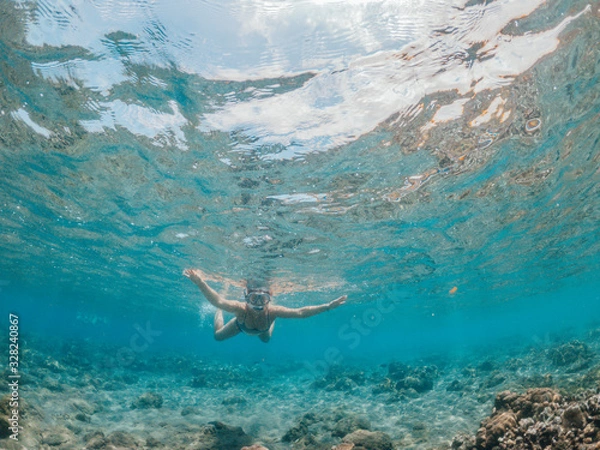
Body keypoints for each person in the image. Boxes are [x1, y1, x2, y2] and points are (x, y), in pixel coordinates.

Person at [184, 269, 347, 342]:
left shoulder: (272, 310)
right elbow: (217, 301)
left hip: (264, 329)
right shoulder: (240, 309)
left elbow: (300, 312)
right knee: (217, 337)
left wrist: (327, 306)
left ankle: (272, 322)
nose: (258, 304)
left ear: (270, 298)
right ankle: (219, 313)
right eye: (254, 298)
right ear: (246, 297)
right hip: (241, 325)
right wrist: (200, 282)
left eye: (263, 299)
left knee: (266, 340)